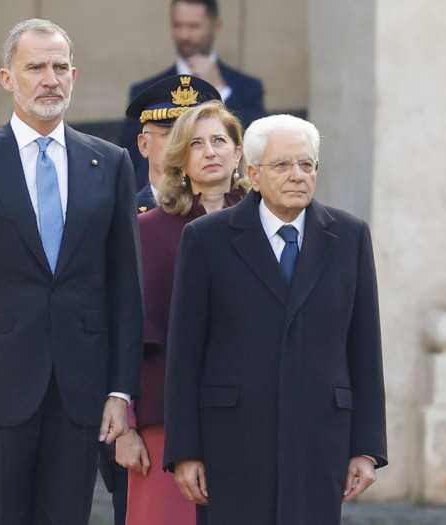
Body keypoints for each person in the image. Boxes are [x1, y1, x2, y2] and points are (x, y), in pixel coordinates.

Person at [0, 18, 144, 524]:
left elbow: (125, 289)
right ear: (8, 79)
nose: (50, 78)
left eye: (60, 67)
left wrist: (120, 391)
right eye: (36, 67)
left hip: (79, 392)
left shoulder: (109, 163)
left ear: (74, 74)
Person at [163, 114, 387, 523]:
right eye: (282, 165)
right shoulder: (206, 239)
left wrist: (367, 447)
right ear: (253, 173)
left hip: (321, 439)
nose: (297, 175)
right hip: (232, 442)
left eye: (306, 164)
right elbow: (184, 353)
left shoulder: (349, 237)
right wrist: (185, 450)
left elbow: (365, 349)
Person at [118, 98, 248, 525]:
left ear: (238, 152)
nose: (210, 152)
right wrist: (127, 426)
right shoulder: (146, 231)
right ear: (179, 159)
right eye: (196, 144)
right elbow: (126, 335)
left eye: (219, 141)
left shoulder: (268, 229)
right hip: (166, 418)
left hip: (252, 418)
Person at [121, 0, 267, 191]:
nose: (185, 35)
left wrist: (220, 88)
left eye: (194, 26)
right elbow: (132, 163)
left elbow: (258, 146)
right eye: (178, 25)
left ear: (216, 26)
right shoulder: (145, 91)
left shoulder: (246, 87)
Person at [124, 75, 221, 214]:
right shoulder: (127, 215)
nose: (184, 142)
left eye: (194, 135)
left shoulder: (228, 210)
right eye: (171, 133)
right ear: (144, 145)